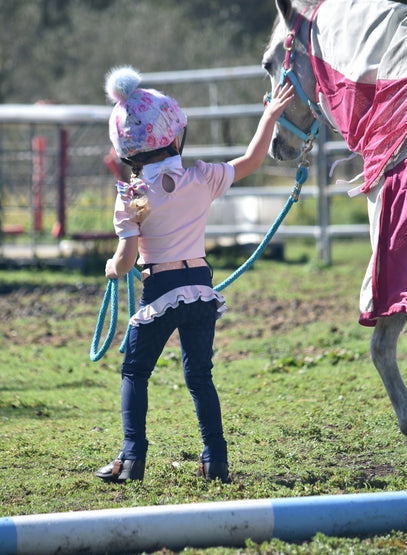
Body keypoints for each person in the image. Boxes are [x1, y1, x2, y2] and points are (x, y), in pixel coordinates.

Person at [95, 66, 294, 483]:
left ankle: (132, 459)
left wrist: (113, 268)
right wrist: (269, 116)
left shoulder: (133, 197)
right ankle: (216, 459)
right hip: (201, 288)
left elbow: (127, 259)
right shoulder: (201, 178)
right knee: (200, 376)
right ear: (174, 136)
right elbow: (253, 160)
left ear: (126, 150)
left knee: (134, 372)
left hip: (161, 289)